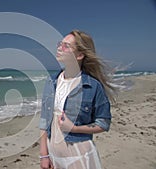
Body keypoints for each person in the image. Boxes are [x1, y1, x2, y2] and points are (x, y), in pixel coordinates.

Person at [39, 30, 116, 169]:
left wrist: (74, 128)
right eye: (60, 44)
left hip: (80, 156)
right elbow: (44, 120)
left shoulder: (93, 86)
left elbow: (103, 123)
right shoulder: (51, 82)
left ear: (79, 55)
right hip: (54, 156)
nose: (59, 48)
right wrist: (44, 155)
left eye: (66, 46)